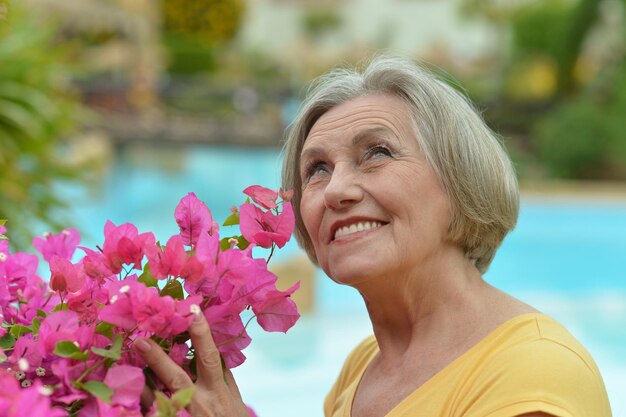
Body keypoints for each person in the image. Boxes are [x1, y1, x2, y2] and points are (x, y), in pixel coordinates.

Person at [133, 56, 612, 417]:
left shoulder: (535, 371)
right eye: (317, 169)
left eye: (377, 153)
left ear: (459, 180)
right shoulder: (363, 368)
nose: (336, 190)